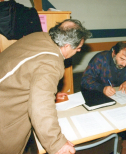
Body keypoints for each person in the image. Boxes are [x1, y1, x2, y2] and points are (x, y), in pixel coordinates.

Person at [0, 19, 92, 154]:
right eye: (78, 48)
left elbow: (29, 75)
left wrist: (50, 94)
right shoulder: (52, 63)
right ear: (67, 46)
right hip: (6, 116)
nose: (78, 51)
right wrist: (57, 143)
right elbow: (40, 106)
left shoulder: (39, 36)